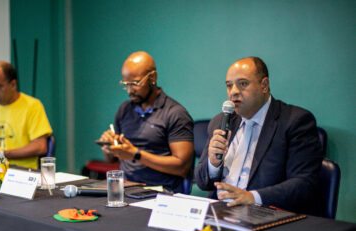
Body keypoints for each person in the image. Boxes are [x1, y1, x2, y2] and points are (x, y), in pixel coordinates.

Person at [195, 57, 323, 214]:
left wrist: (252, 197)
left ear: (264, 85)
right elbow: (203, 183)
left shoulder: (295, 121)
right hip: (220, 213)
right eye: (229, 86)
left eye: (243, 84)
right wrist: (213, 164)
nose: (233, 91)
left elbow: (304, 184)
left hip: (266, 214)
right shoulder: (221, 121)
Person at [98, 51, 194, 193]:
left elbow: (181, 168)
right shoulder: (125, 109)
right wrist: (109, 148)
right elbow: (111, 160)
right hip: (126, 187)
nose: (130, 90)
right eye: (126, 84)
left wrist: (136, 154)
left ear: (152, 78)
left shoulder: (175, 113)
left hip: (160, 191)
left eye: (135, 83)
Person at [0, 61, 53, 169]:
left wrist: (2, 154)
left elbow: (40, 147)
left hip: (23, 173)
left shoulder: (32, 106)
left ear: (13, 84)